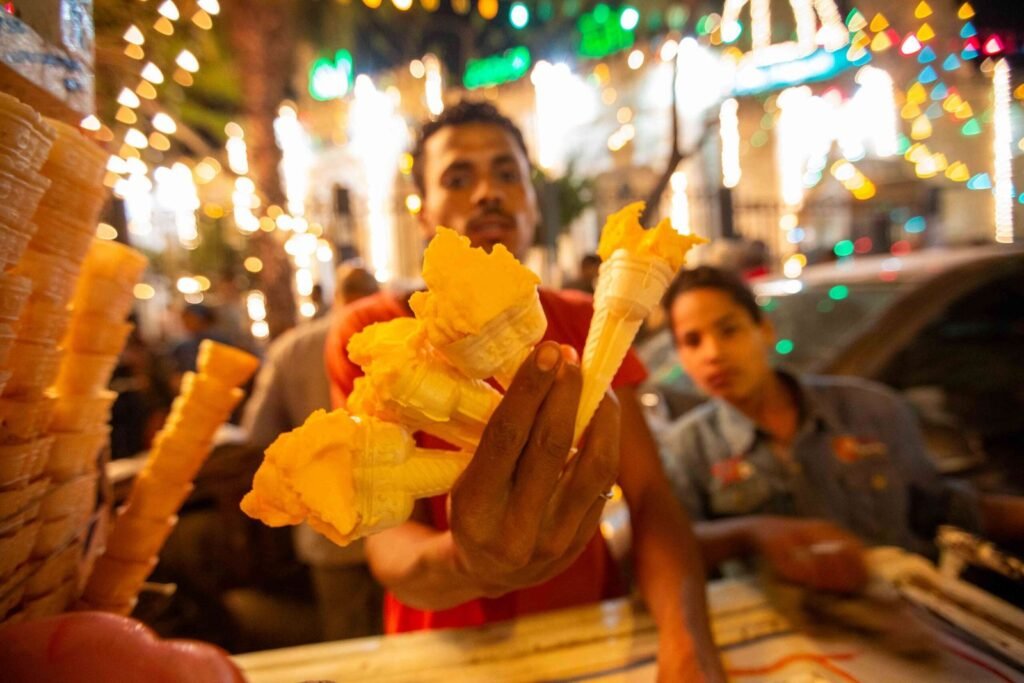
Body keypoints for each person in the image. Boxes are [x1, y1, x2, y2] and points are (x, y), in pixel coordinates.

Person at [325, 101, 725, 680]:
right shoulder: (373, 334)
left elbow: (650, 498)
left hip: (588, 634)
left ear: (534, 203)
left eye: (508, 174)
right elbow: (381, 533)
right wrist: (468, 561)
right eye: (458, 178)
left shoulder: (591, 323)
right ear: (424, 213)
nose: (488, 192)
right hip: (442, 650)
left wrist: (688, 643)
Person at [659, 265, 1024, 592]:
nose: (713, 353)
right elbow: (676, 549)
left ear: (764, 330)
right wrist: (751, 533)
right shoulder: (686, 448)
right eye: (692, 341)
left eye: (729, 330)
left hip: (896, 615)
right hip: (775, 636)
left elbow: (937, 505)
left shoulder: (872, 411)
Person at [241, 262, 382, 640]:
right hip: (403, 520)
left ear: (337, 296)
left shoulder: (291, 349)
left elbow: (257, 434)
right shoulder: (400, 336)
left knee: (347, 637)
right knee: (411, 639)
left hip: (327, 525)